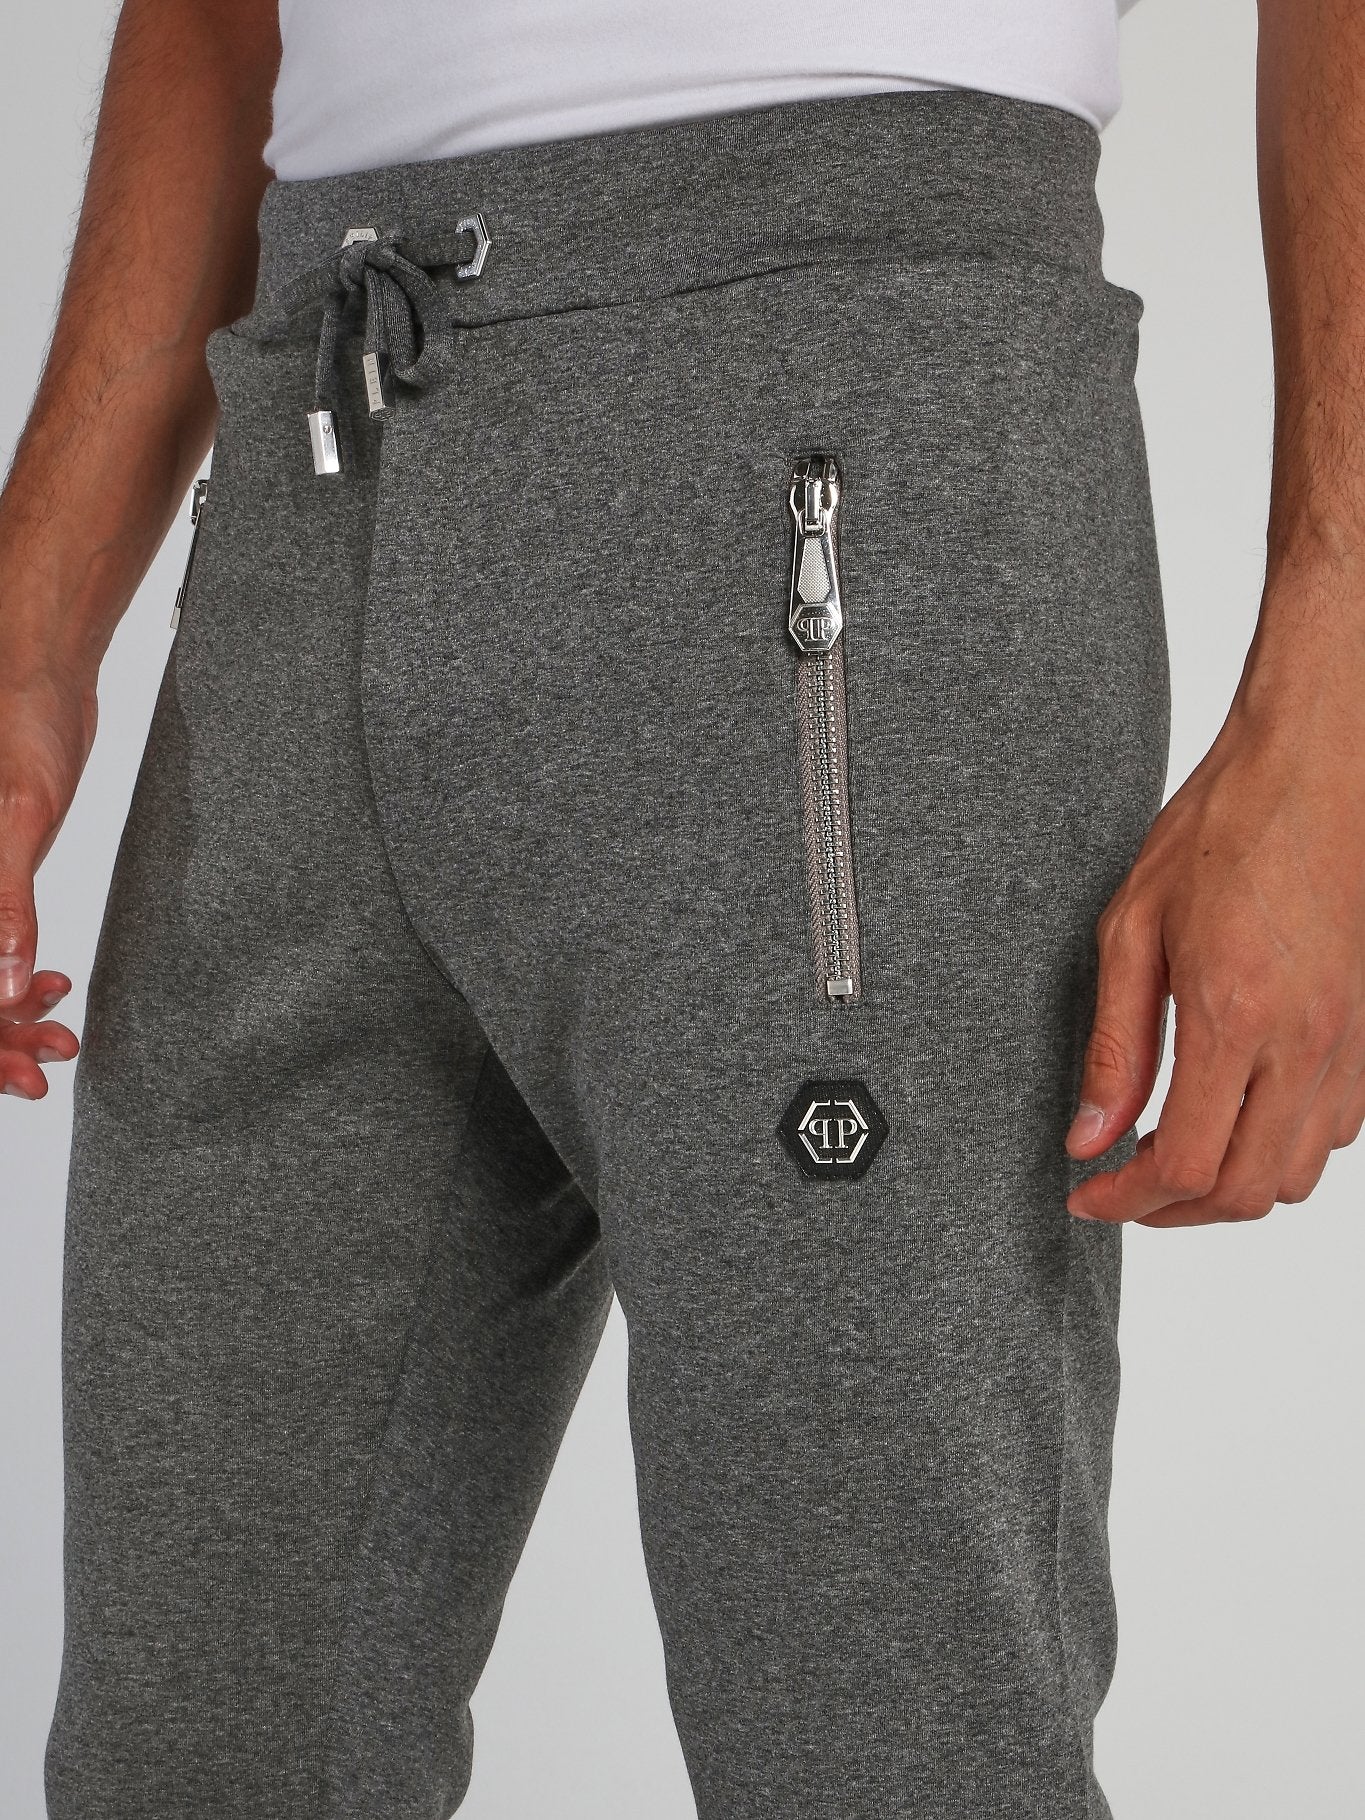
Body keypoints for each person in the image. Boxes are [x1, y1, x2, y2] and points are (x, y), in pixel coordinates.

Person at [2, 1, 1362, 1815]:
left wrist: (1336, 706)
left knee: (878, 1741)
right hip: (314, 448)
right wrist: (27, 639)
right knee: (192, 1754)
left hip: (834, 431)